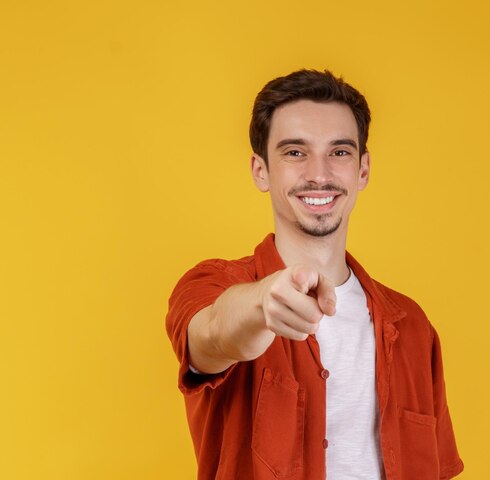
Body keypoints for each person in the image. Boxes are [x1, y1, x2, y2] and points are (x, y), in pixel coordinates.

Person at [166, 69, 464, 480]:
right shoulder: (214, 285)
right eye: (294, 152)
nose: (319, 173)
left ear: (362, 169)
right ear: (260, 170)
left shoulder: (413, 325)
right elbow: (211, 334)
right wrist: (261, 303)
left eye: (339, 152)